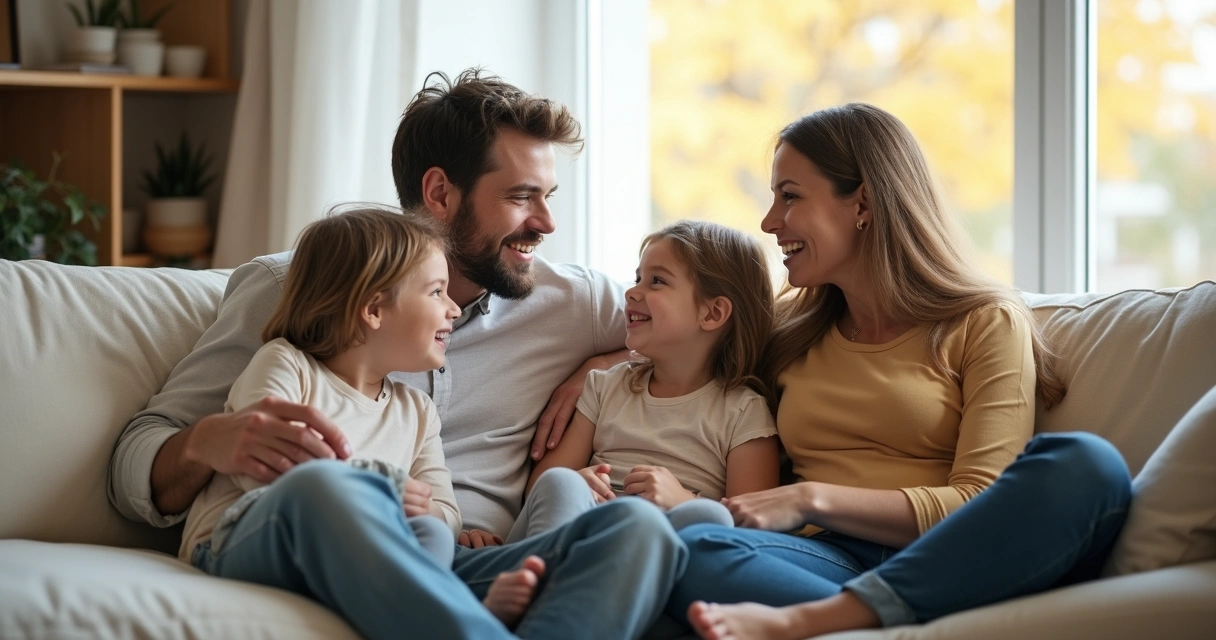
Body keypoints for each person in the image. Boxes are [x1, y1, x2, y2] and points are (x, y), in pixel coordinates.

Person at [108, 69, 686, 640]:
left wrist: (603, 367)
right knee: (331, 492)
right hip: (328, 531)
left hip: (459, 556)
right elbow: (133, 462)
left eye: (549, 196)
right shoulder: (297, 289)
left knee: (639, 528)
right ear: (439, 193)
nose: (547, 223)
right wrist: (207, 441)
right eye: (520, 197)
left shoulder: (572, 301)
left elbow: (713, 328)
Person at [667, 103, 1133, 640]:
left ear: (862, 202)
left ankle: (817, 623)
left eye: (790, 196)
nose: (770, 222)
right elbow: (684, 347)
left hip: (954, 557)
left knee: (1087, 466)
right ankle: (878, 623)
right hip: (820, 561)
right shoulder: (789, 327)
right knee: (688, 545)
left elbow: (981, 497)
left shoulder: (985, 321)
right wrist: (600, 363)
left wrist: (808, 498)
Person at [180, 206, 544, 628]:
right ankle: (465, 623)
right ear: (373, 310)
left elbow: (445, 510)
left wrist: (422, 513)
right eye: (436, 292)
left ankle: (440, 605)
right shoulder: (285, 364)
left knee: (431, 536)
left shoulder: (416, 411)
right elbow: (264, 472)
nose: (454, 309)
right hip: (242, 538)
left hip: (358, 551)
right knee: (316, 486)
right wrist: (384, 490)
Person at [510, 220, 781, 542]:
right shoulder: (605, 387)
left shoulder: (743, 411)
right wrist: (579, 481)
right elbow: (542, 484)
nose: (632, 291)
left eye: (656, 281)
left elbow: (753, 523)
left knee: (712, 515)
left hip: (659, 544)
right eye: (638, 277)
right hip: (586, 531)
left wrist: (681, 500)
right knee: (559, 483)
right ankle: (540, 573)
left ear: (712, 313)